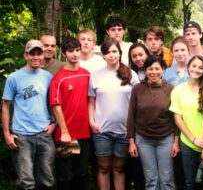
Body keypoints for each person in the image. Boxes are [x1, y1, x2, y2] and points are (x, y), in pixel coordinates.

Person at [2, 40, 56, 190]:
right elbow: (5, 106)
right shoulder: (14, 78)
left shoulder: (47, 77)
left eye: (39, 54)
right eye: (32, 54)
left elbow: (53, 103)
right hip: (22, 135)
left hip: (44, 134)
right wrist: (7, 134)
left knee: (47, 180)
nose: (36, 57)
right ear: (26, 55)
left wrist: (54, 123)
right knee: (26, 182)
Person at [88, 38, 139, 190]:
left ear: (120, 53)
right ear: (103, 55)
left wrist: (132, 129)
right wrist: (91, 121)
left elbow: (136, 103)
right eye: (107, 52)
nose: (111, 55)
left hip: (124, 131)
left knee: (119, 168)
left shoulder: (131, 74)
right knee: (103, 168)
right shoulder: (95, 75)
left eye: (114, 51)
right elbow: (91, 101)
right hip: (102, 130)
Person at [127, 55, 178, 190]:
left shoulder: (171, 89)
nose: (154, 72)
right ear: (145, 70)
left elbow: (176, 117)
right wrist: (131, 142)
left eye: (157, 68)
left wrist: (176, 141)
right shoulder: (138, 88)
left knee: (166, 178)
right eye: (150, 69)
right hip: (143, 140)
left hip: (166, 138)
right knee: (151, 179)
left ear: (163, 70)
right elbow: (131, 115)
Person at [50, 37, 91, 190]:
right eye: (70, 51)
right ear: (64, 53)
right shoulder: (59, 78)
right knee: (66, 175)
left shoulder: (87, 74)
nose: (74, 54)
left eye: (77, 50)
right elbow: (56, 106)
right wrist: (65, 132)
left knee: (81, 173)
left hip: (85, 134)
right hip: (67, 136)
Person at [170, 55, 203, 190]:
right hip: (187, 143)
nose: (196, 69)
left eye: (200, 67)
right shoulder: (177, 90)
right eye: (194, 66)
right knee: (190, 182)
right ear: (188, 67)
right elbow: (178, 118)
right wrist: (193, 139)